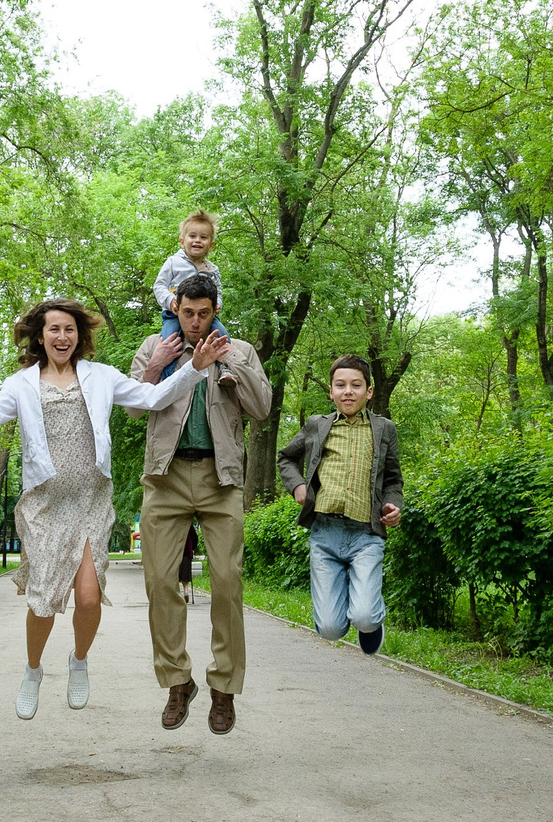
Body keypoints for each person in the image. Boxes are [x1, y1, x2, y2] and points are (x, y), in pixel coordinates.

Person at [0, 298, 217, 720]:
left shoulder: (100, 377)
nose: (62, 337)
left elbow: (152, 397)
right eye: (54, 330)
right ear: (40, 336)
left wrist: (194, 367)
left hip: (91, 499)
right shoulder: (21, 383)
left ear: (80, 336)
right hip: (45, 505)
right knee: (42, 603)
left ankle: (79, 660)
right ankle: (33, 670)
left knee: (90, 599)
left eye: (70, 330)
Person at [126, 272, 272, 735]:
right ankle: (177, 681)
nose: (193, 322)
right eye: (186, 313)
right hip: (165, 478)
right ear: (176, 309)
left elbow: (262, 407)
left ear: (215, 310)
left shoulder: (240, 349)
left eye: (203, 313)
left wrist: (233, 365)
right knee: (159, 581)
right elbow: (133, 407)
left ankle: (224, 687)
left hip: (220, 477)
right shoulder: (157, 345)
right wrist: (157, 366)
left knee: (227, 581)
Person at [275, 354, 405, 654]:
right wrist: (296, 484)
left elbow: (393, 480)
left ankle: (369, 618)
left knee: (365, 617)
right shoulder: (316, 426)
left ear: (368, 391)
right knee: (330, 630)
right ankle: (352, 598)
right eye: (341, 385)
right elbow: (286, 457)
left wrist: (392, 505)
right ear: (331, 391)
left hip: (366, 535)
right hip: (325, 534)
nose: (348, 391)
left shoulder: (384, 429)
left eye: (356, 385)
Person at [149, 211, 228, 378]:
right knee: (168, 342)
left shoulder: (212, 269)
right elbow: (159, 285)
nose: (197, 240)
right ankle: (167, 375)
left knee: (222, 334)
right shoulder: (173, 262)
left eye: (203, 237)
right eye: (192, 236)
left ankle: (225, 368)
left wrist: (217, 303)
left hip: (206, 315)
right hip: (174, 314)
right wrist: (170, 300)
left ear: (211, 245)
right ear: (182, 241)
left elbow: (218, 290)